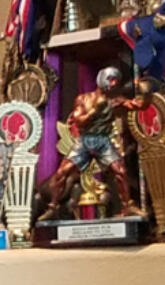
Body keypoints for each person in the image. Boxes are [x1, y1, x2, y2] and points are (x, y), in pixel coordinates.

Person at [40, 65, 148, 220]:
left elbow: (139, 106)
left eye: (115, 81)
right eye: (110, 80)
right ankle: (53, 207)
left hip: (103, 141)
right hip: (85, 141)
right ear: (101, 79)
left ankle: (127, 206)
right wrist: (95, 110)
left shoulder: (115, 101)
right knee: (61, 173)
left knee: (121, 172)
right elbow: (79, 121)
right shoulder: (83, 99)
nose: (112, 84)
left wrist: (146, 91)